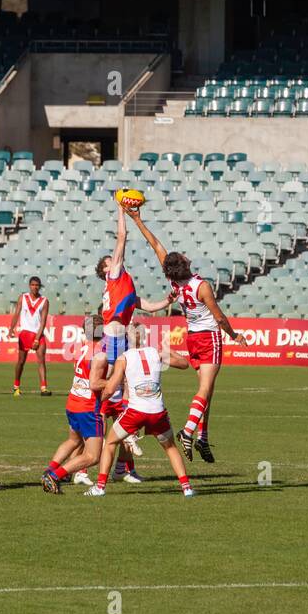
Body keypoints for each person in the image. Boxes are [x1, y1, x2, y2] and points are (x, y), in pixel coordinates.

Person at [122, 203, 250, 463]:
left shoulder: (174, 282)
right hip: (209, 337)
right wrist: (234, 336)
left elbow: (156, 247)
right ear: (183, 264)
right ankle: (189, 431)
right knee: (204, 389)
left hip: (192, 337)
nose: (185, 256)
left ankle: (202, 436)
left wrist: (138, 220)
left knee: (208, 390)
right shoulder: (201, 286)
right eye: (183, 256)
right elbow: (219, 317)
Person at [95, 204, 173, 481]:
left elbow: (150, 306)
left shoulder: (126, 284)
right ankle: (91, 458)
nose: (113, 259)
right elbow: (121, 238)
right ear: (106, 269)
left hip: (120, 342)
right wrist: (120, 209)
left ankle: (122, 464)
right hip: (112, 341)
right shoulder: (114, 275)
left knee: (127, 396)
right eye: (109, 260)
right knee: (105, 399)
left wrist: (168, 301)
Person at [85, 323, 194, 498]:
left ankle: (100, 487)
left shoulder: (124, 357)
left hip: (135, 412)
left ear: (127, 338)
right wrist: (168, 349)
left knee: (111, 443)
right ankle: (186, 487)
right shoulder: (155, 353)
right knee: (171, 447)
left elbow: (112, 388)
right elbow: (184, 364)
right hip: (158, 412)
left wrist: (97, 402)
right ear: (143, 336)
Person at [42, 315, 107, 493]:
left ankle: (48, 470)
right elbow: (95, 383)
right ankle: (54, 476)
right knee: (93, 456)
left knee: (73, 441)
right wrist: (115, 381)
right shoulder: (99, 354)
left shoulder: (81, 348)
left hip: (73, 403)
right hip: (88, 408)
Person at [9, 276, 51, 396]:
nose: (35, 287)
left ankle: (44, 388)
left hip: (38, 334)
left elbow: (43, 321)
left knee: (41, 360)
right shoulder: (23, 297)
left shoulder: (44, 301)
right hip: (25, 333)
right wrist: (11, 329)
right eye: (32, 285)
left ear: (39, 286)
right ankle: (16, 386)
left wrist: (37, 338)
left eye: (37, 285)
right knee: (21, 361)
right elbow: (16, 314)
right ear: (29, 285)